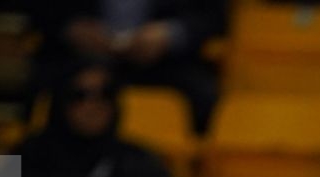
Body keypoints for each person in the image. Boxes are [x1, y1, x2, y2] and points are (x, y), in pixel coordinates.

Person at [26, 0, 227, 134]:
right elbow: (35, 9)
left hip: (165, 61)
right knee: (37, 85)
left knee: (204, 93)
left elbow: (214, 17)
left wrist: (170, 34)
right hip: (77, 57)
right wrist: (70, 27)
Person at [16, 60, 173, 177]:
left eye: (106, 94)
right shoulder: (29, 159)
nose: (93, 105)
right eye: (79, 95)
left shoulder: (139, 165)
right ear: (60, 103)